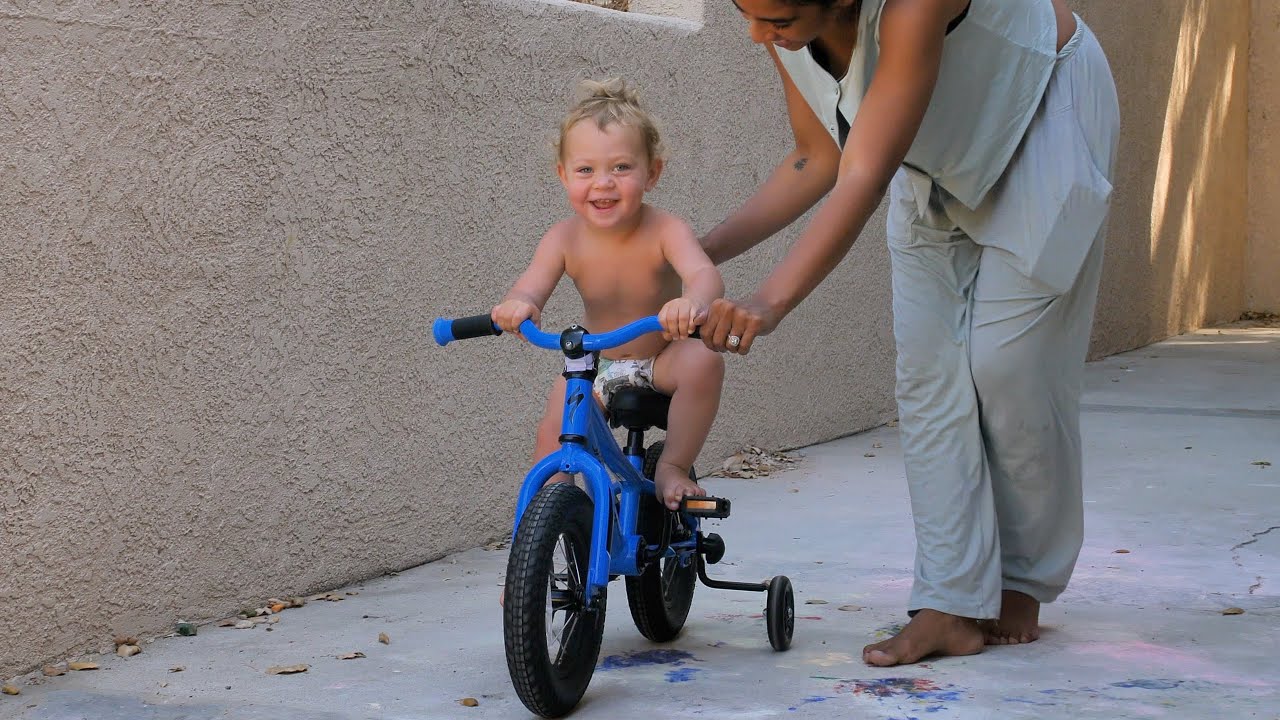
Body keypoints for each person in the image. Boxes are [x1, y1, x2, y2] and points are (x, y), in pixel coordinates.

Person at [697, 0, 1120, 666]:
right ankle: (948, 603)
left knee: (1007, 368)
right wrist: (699, 256)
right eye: (745, 12)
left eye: (773, 17)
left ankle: (1022, 578)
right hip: (933, 156)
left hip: (1041, 113)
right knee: (928, 376)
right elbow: (817, 157)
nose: (756, 34)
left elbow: (864, 174)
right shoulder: (786, 25)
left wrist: (771, 300)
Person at [492, 78, 725, 513]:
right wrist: (521, 303)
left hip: (662, 356)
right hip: (599, 365)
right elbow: (531, 283)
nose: (603, 183)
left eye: (621, 168)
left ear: (651, 173)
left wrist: (692, 302)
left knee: (704, 362)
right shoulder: (562, 238)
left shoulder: (665, 229)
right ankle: (540, 537)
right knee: (554, 431)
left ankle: (673, 464)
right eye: (585, 170)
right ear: (563, 175)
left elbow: (704, 274)